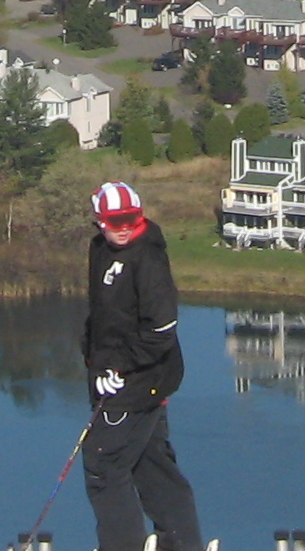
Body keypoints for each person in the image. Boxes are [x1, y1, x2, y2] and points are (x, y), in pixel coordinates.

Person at [80, 182, 209, 551]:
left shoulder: (147, 258)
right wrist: (92, 357)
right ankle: (183, 545)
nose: (122, 227)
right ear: (98, 220)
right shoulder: (101, 250)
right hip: (121, 374)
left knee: (104, 465)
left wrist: (116, 368)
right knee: (151, 462)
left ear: (140, 214)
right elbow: (103, 315)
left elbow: (161, 330)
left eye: (130, 219)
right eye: (113, 221)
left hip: (137, 380)